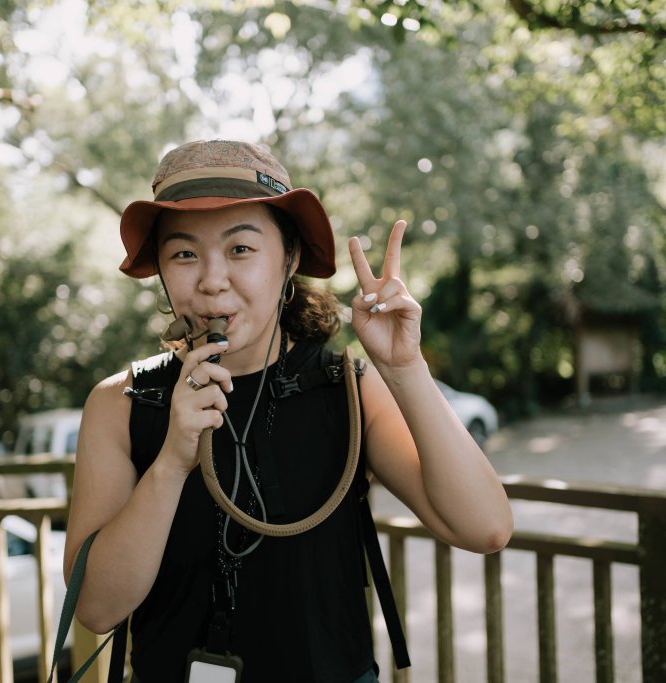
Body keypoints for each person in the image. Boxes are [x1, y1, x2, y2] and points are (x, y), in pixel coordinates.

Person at [64, 139, 512, 683]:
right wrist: (171, 463)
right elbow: (95, 607)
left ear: (290, 258)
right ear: (160, 269)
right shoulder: (123, 402)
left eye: (241, 249)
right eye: (184, 253)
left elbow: (485, 528)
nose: (211, 280)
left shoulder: (345, 386)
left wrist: (404, 367)